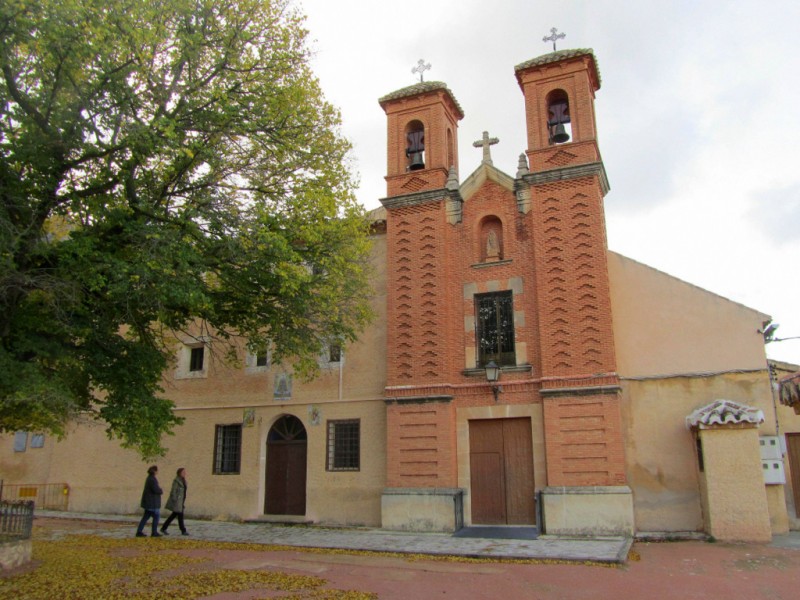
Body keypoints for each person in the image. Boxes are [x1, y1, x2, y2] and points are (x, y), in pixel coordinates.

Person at [136, 465, 163, 537]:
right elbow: (156, 489)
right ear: (154, 471)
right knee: (156, 517)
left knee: (145, 517)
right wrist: (160, 490)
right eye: (157, 470)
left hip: (149, 502)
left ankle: (139, 531)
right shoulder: (152, 479)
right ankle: (154, 532)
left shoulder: (149, 478)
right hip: (152, 503)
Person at [160, 467, 189, 535]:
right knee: (180, 516)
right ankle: (183, 530)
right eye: (183, 472)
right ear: (179, 473)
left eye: (185, 472)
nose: (185, 473)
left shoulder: (183, 481)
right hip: (178, 501)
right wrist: (175, 500)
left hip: (181, 501)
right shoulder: (176, 481)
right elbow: (173, 491)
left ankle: (164, 528)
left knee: (174, 515)